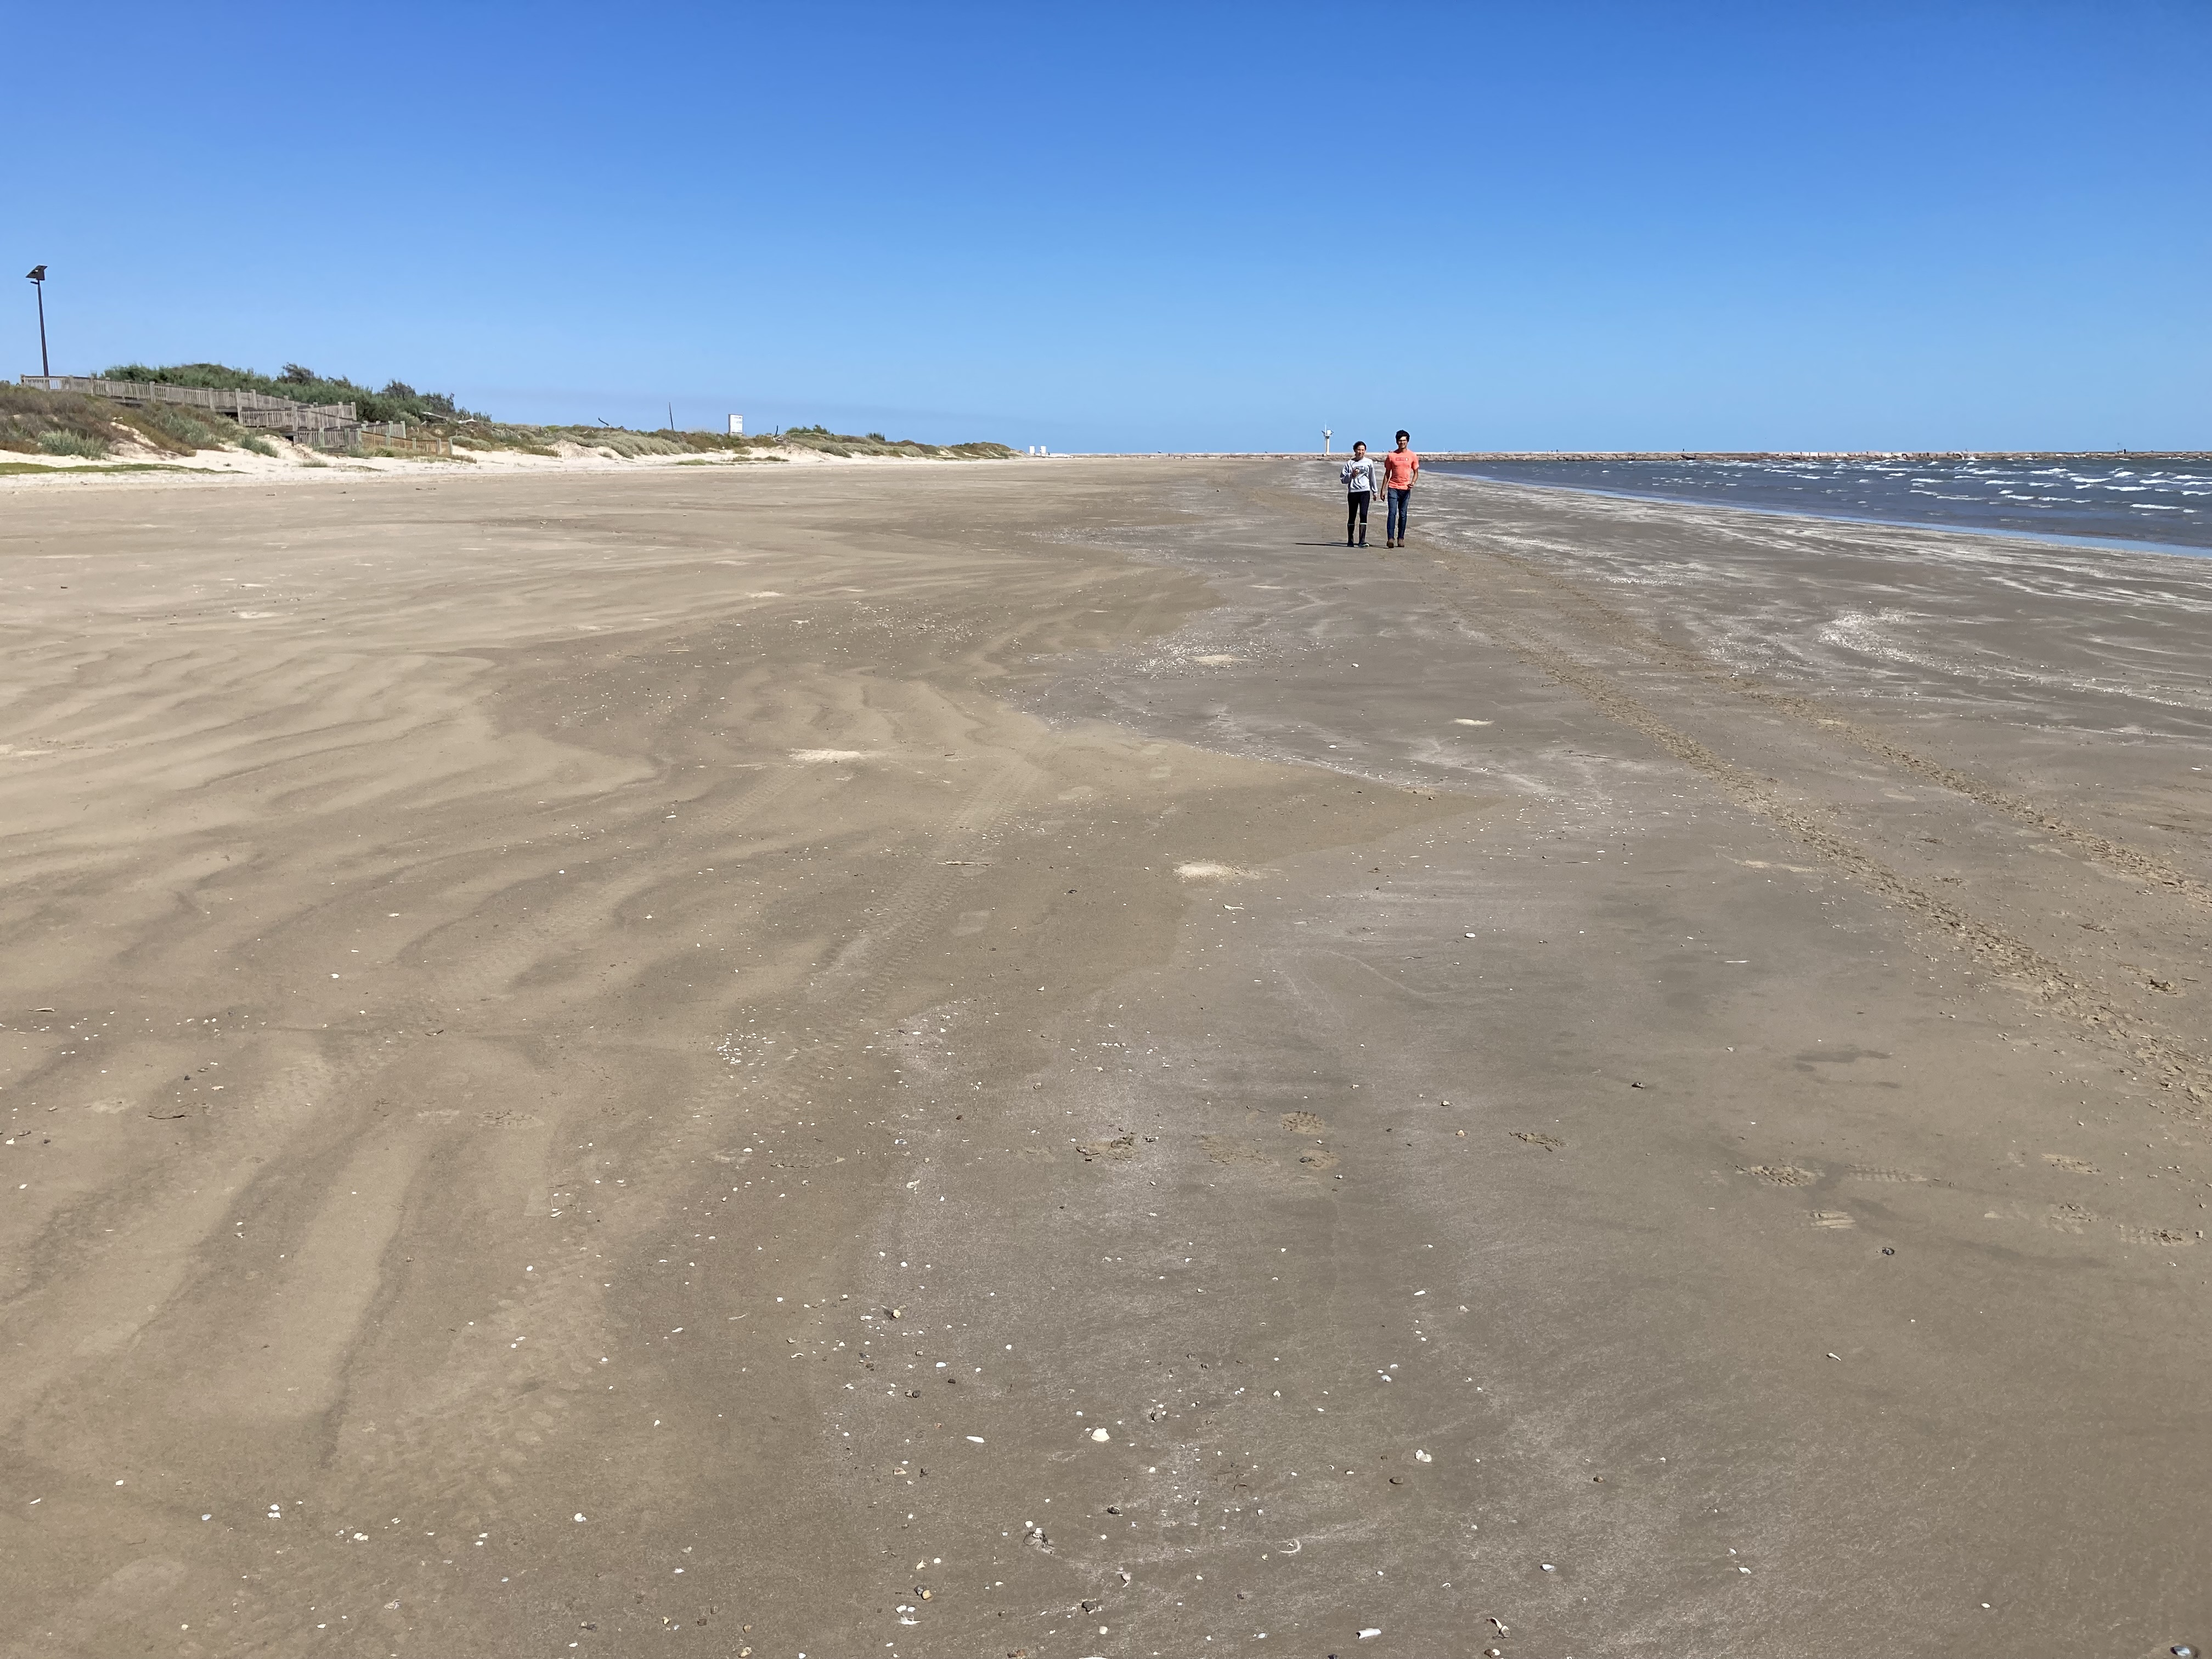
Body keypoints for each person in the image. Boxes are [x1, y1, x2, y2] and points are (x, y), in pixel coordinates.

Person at [1383, 430, 1419, 546]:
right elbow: (1387, 473)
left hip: (1406, 489)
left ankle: (1401, 538)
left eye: (1404, 441)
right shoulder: (1392, 456)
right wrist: (1383, 489)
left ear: (1407, 441)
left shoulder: (1412, 456)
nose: (1402, 443)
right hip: (1393, 487)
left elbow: (1416, 472)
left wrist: (1413, 482)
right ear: (1397, 442)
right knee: (1392, 513)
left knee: (1403, 514)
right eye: (1400, 441)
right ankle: (1391, 539)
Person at [1340, 441, 1377, 548]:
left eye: (1363, 450)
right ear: (1355, 451)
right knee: (1352, 516)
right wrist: (1352, 475)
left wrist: (1375, 491)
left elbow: (1372, 477)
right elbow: (1343, 479)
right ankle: (1350, 541)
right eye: (1359, 450)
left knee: (1364, 514)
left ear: (1365, 451)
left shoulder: (1369, 462)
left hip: (1365, 492)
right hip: (1353, 492)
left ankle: (1362, 541)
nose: (1360, 452)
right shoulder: (1349, 464)